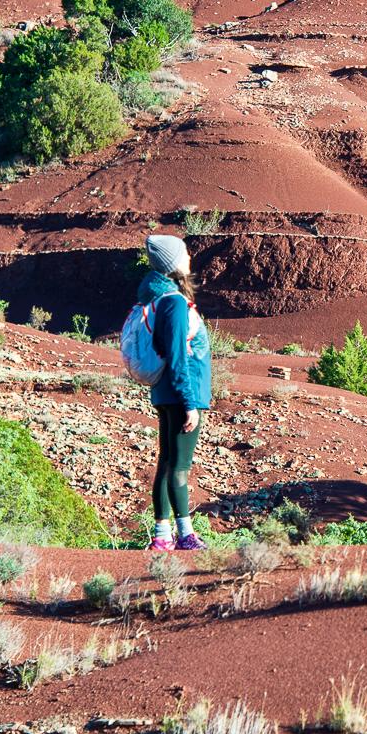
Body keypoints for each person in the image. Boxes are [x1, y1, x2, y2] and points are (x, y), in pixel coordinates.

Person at [141, 233, 213, 551]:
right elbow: (177, 356)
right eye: (184, 253)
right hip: (180, 394)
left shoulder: (158, 297)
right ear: (173, 262)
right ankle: (183, 536)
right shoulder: (173, 302)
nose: (189, 257)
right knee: (179, 467)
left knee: (167, 463)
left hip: (166, 392)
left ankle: (162, 536)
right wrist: (189, 403)